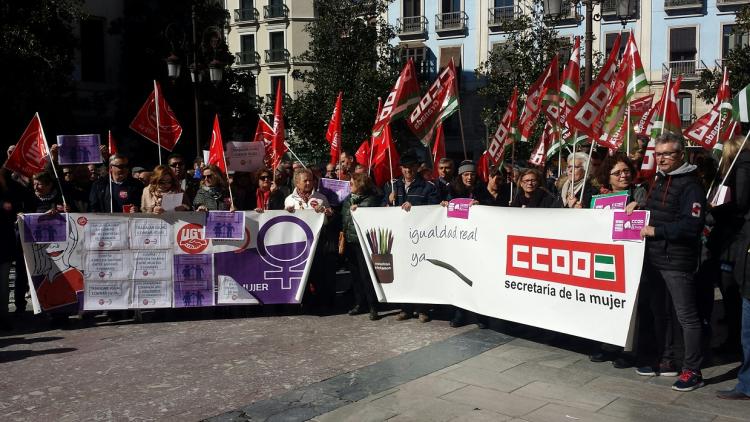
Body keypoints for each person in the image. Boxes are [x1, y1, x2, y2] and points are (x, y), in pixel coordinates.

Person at [626, 132, 706, 392]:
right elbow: (658, 211)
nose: (661, 159)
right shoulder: (659, 180)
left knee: (686, 317)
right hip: (656, 257)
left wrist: (656, 231)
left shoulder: (691, 185)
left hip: (677, 260)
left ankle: (693, 370)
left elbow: (691, 225)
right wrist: (639, 207)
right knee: (663, 313)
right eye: (658, 154)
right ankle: (668, 359)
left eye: (668, 154)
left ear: (680, 154)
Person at [712, 136, 750, 400]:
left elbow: (740, 204)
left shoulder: (741, 169)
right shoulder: (725, 176)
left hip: (738, 247)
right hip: (731, 247)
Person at [383, 151, 440, 322]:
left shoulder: (428, 186)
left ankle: (422, 309)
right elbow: (380, 208)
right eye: (405, 167)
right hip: (400, 239)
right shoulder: (392, 186)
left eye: (411, 167)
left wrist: (413, 206)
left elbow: (433, 209)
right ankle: (405, 308)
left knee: (421, 273)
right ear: (401, 168)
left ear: (417, 168)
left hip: (420, 239)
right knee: (402, 273)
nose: (408, 170)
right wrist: (387, 200)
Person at [442, 160, 491, 329]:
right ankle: (460, 313)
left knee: (477, 279)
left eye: (472, 174)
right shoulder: (452, 189)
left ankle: (480, 315)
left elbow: (493, 206)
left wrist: (481, 205)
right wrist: (444, 205)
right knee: (459, 277)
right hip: (459, 242)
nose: (469, 177)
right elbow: (445, 206)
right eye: (466, 174)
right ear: (461, 176)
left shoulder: (482, 189)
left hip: (477, 242)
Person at [285, 168, 335, 311]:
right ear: (296, 182)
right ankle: (304, 302)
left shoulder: (320, 198)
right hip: (298, 243)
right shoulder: (289, 199)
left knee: (318, 273)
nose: (308, 183)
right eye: (305, 180)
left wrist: (326, 213)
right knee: (301, 273)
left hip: (317, 243)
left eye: (311, 180)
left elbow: (326, 221)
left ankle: (321, 302)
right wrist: (286, 212)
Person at [341, 173, 382, 320]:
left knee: (367, 275)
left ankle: (373, 306)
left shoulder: (370, 200)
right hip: (350, 242)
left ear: (360, 184)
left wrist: (359, 211)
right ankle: (359, 303)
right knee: (355, 275)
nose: (349, 185)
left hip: (363, 244)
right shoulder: (347, 200)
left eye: (352, 182)